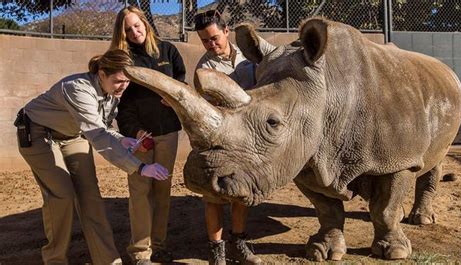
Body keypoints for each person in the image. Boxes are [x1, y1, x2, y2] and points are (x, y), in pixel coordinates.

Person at [15, 49, 169, 265]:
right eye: (118, 81)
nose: (123, 86)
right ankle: (55, 260)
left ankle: (108, 261)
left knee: (91, 198)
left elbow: (104, 128)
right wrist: (140, 168)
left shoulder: (111, 92)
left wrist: (121, 139)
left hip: (73, 136)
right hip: (39, 134)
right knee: (62, 195)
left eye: (127, 81)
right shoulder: (77, 88)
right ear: (102, 74)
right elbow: (97, 134)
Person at [194, 9, 274, 265]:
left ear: (226, 31)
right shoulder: (204, 67)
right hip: (220, 138)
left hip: (248, 137)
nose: (211, 44)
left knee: (241, 193)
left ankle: (239, 243)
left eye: (214, 37)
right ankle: (217, 252)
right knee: (214, 196)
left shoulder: (248, 57)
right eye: (205, 40)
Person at [110, 6, 186, 265]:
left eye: (137, 25)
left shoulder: (168, 51)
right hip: (141, 136)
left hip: (168, 133)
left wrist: (174, 98)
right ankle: (140, 252)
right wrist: (134, 131)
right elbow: (122, 104)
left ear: (145, 23)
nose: (134, 32)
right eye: (128, 29)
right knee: (140, 192)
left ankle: (160, 245)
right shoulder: (123, 59)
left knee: (163, 190)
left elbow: (182, 83)